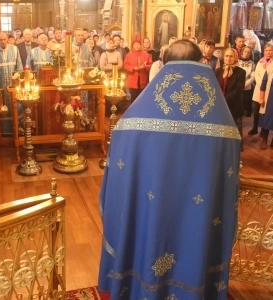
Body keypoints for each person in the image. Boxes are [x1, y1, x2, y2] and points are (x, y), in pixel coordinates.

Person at [98, 40, 241, 300]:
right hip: (199, 210)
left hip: (151, 210)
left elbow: (119, 152)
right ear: (201, 63)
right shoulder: (223, 123)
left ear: (163, 64)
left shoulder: (134, 120)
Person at [0, 32, 23, 135]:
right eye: (1, 40)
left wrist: (19, 79)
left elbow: (19, 66)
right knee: (2, 106)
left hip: (14, 85)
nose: (3, 42)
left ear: (8, 39)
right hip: (0, 86)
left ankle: (17, 128)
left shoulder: (15, 49)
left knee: (16, 106)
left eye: (5, 39)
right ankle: (4, 130)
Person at [215, 48, 246, 149]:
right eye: (227, 56)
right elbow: (214, 87)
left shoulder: (241, 72)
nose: (228, 58)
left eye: (231, 56)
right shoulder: (218, 71)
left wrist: (224, 99)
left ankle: (237, 148)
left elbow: (238, 90)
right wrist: (220, 100)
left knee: (235, 128)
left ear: (235, 58)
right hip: (220, 105)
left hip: (234, 105)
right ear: (224, 57)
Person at [250, 43, 273, 135]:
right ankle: (255, 127)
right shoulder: (260, 62)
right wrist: (262, 85)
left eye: (270, 50)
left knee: (265, 111)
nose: (268, 52)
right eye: (266, 50)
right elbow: (257, 75)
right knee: (256, 110)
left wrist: (267, 86)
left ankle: (264, 130)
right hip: (259, 89)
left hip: (270, 91)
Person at [258, 47, 273, 150]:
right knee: (267, 118)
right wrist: (261, 97)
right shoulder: (271, 66)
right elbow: (263, 82)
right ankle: (264, 140)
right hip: (271, 98)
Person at [238, 46, 255, 117]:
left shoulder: (252, 63)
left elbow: (253, 76)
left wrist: (244, 85)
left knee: (244, 104)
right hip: (237, 85)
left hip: (247, 86)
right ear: (242, 52)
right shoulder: (237, 61)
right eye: (245, 51)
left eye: (248, 52)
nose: (246, 53)